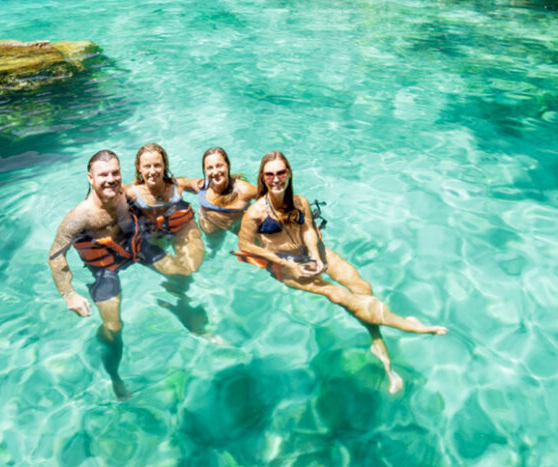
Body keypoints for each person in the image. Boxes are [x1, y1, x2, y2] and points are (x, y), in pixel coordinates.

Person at [236, 151, 447, 393]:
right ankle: (410, 326)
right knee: (339, 295)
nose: (276, 179)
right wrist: (287, 263)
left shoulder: (299, 201)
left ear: (289, 173)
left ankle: (376, 340)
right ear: (262, 178)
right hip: (285, 264)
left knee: (361, 287)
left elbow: (308, 230)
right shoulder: (255, 213)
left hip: (313, 253)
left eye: (281, 172)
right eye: (270, 174)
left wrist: (315, 254)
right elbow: (246, 245)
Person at [48, 148, 186, 397]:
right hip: (105, 266)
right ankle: (115, 376)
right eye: (103, 175)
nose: (111, 179)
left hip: (134, 248)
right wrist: (69, 294)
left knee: (181, 272)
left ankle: (181, 309)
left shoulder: (125, 195)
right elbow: (56, 256)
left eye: (115, 173)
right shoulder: (79, 217)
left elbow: (157, 193)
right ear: (90, 178)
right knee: (113, 326)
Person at [129, 143, 209, 333]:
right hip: (150, 238)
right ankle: (183, 311)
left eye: (157, 165)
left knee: (191, 268)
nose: (152, 171)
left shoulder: (177, 185)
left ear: (164, 166)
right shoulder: (131, 193)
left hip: (181, 228)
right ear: (139, 168)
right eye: (147, 166)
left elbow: (201, 184)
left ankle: (179, 303)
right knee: (178, 274)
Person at [182, 146, 256, 238]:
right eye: (210, 168)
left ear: (227, 165)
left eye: (219, 166)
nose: (215, 172)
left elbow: (271, 200)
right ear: (205, 171)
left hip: (237, 228)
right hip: (210, 228)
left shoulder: (243, 190)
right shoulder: (202, 186)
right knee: (212, 250)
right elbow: (182, 184)